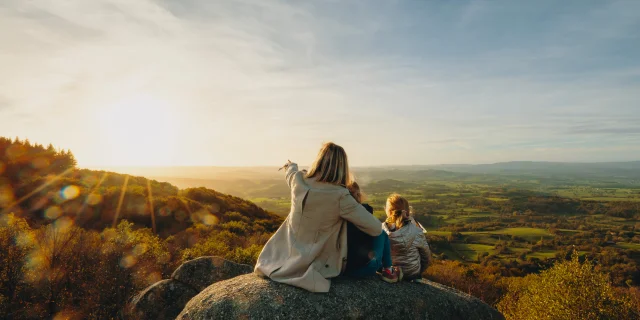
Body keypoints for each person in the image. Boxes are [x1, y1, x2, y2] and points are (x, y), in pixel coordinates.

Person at [254, 142, 383, 292]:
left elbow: (290, 174)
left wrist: (291, 166)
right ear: (342, 168)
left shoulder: (299, 181)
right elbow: (376, 228)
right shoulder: (340, 196)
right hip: (314, 264)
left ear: (319, 160)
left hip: (280, 258)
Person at [344, 182, 402, 282]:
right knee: (381, 233)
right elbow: (378, 230)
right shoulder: (364, 211)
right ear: (358, 195)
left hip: (341, 268)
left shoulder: (338, 213)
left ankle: (383, 267)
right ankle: (388, 269)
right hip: (363, 269)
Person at [382, 194, 431, 281]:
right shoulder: (417, 231)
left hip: (388, 270)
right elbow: (426, 256)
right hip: (412, 272)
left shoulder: (381, 229)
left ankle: (394, 273)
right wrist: (419, 271)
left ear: (387, 211)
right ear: (408, 212)